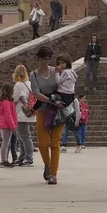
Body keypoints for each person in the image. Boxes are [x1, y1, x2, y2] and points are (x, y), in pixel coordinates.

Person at [28, 49, 67, 184]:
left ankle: (53, 174)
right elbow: (37, 93)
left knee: (55, 143)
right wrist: (51, 101)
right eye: (43, 59)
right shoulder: (33, 75)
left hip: (58, 111)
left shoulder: (56, 71)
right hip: (44, 111)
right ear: (38, 59)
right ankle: (47, 164)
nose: (45, 62)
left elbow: (65, 86)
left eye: (48, 59)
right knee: (43, 143)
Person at [12, 63, 36, 167]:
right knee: (22, 136)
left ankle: (28, 158)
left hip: (21, 113)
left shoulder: (18, 84)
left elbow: (15, 99)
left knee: (25, 136)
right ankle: (22, 156)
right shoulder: (29, 83)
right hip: (29, 112)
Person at [0, 84, 18, 168]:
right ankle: (3, 160)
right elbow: (8, 115)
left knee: (6, 143)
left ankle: (4, 160)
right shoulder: (7, 102)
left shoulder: (5, 102)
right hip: (6, 125)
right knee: (5, 143)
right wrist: (13, 126)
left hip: (5, 124)